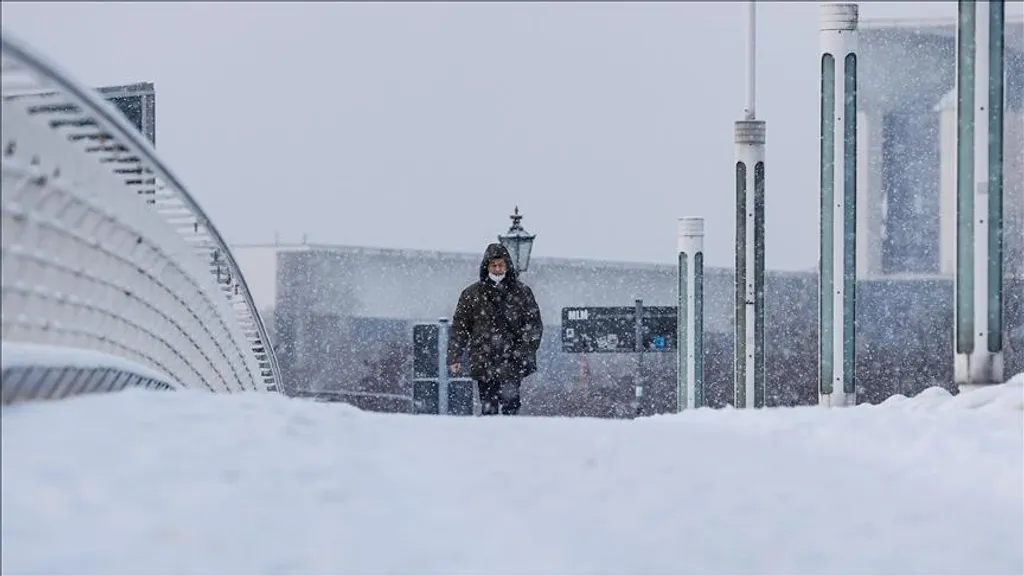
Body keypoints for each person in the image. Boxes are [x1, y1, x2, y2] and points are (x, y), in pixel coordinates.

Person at [447, 243, 543, 415]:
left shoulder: (522, 292)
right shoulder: (471, 294)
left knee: (510, 404)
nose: (497, 269)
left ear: (507, 265)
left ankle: (508, 438)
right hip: (484, 360)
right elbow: (460, 327)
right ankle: (492, 438)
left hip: (511, 360)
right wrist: (454, 356)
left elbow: (534, 325)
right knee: (488, 406)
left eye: (500, 265)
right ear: (487, 266)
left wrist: (523, 351)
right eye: (493, 265)